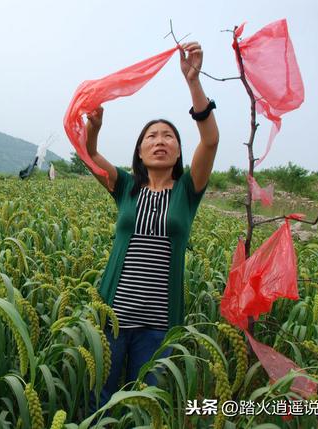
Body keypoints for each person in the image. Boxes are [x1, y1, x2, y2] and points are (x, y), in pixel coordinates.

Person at [85, 42, 219, 411]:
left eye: (168, 137)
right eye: (151, 137)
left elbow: (210, 140)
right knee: (101, 400)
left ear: (178, 151)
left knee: (147, 406)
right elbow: (91, 156)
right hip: (114, 316)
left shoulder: (189, 190)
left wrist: (193, 81)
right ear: (140, 151)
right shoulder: (126, 187)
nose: (160, 141)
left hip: (159, 323)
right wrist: (93, 129)